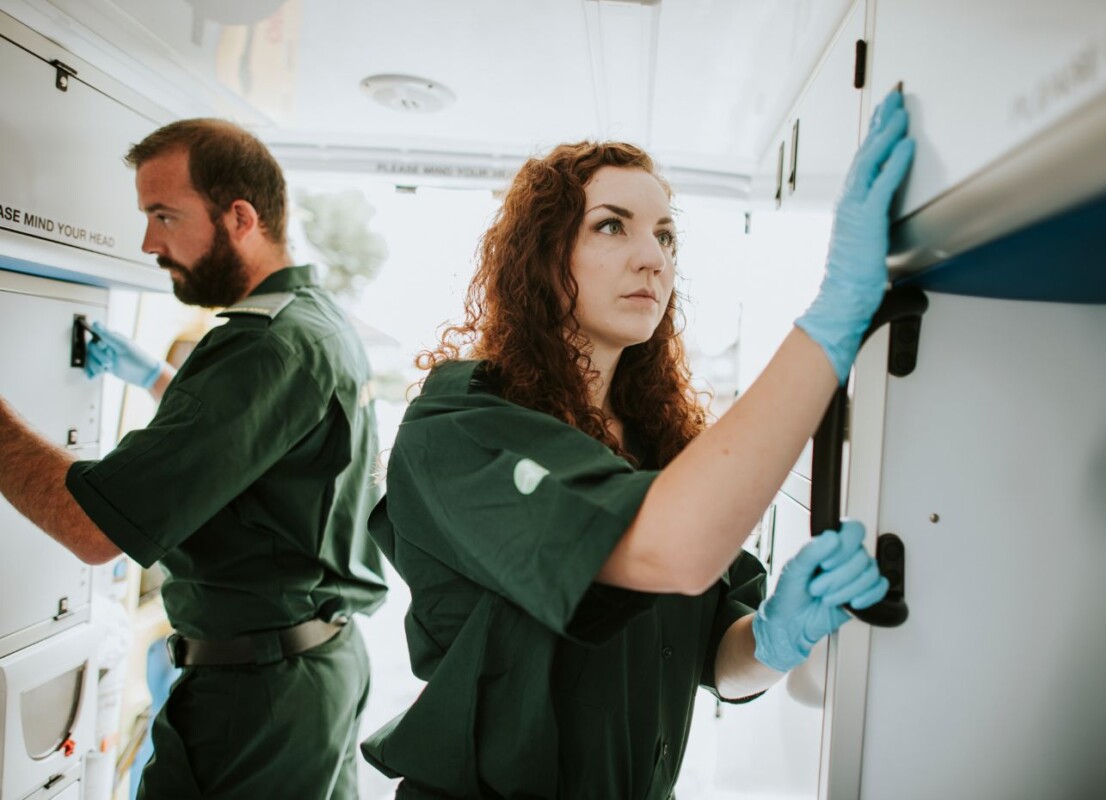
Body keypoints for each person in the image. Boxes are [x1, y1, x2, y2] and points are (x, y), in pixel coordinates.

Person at [362, 90, 915, 798]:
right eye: (612, 226)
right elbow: (667, 551)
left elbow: (719, 659)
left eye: (665, 235)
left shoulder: (665, 447)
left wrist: (778, 639)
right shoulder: (461, 427)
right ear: (540, 256)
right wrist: (836, 315)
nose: (652, 258)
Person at [0, 118, 388, 799]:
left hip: (259, 694)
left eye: (164, 215)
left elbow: (92, 528)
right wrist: (157, 379)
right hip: (312, 668)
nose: (150, 241)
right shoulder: (316, 320)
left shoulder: (262, 344)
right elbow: (256, 450)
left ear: (240, 216)